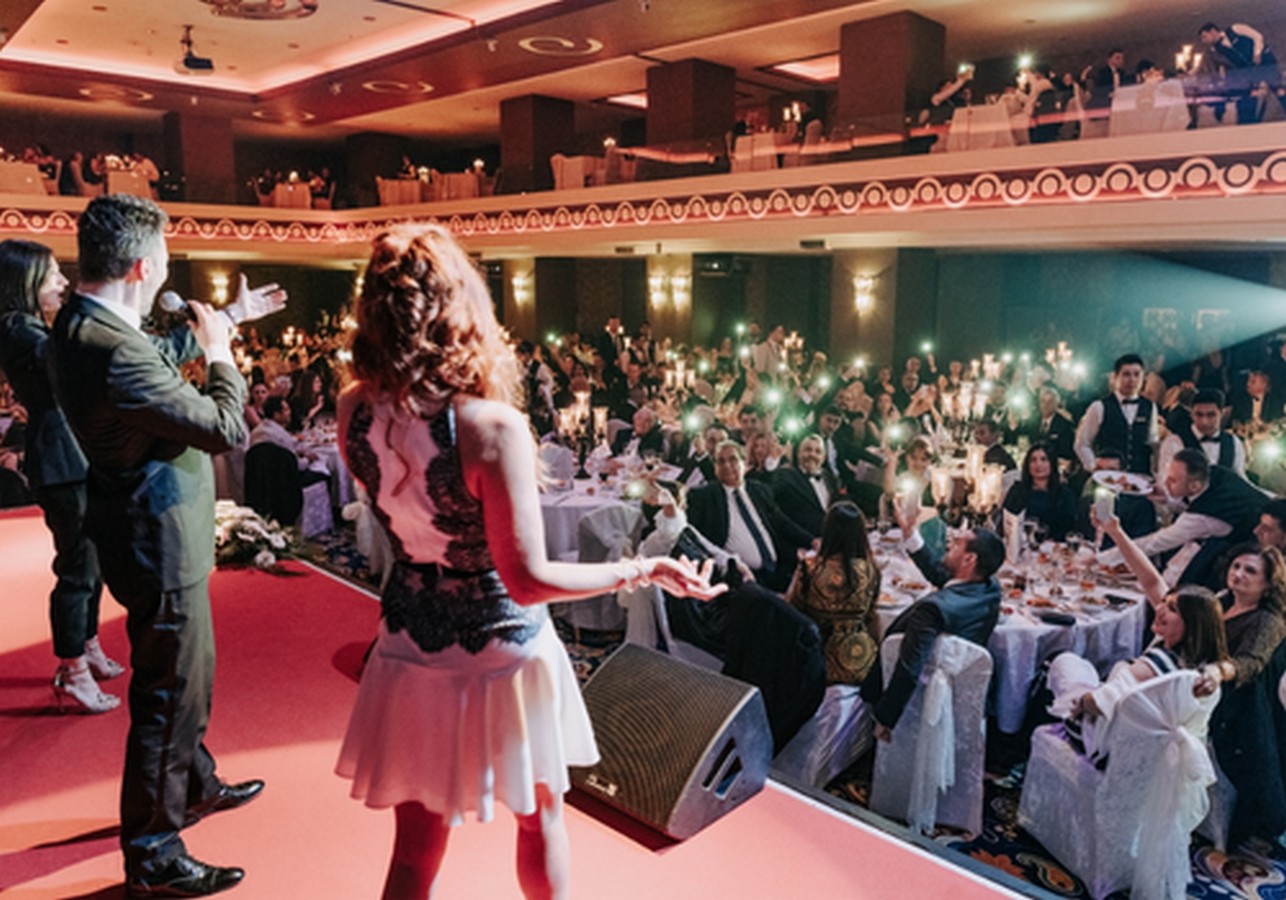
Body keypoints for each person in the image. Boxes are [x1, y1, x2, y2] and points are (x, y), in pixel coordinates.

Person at [334, 224, 722, 900]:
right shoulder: (489, 427)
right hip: (500, 650)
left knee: (414, 851)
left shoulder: (352, 410)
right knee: (539, 820)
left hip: (407, 642)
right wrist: (640, 569)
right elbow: (528, 579)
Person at [48, 194, 286, 897]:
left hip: (140, 530)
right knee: (170, 694)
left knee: (185, 681)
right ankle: (152, 851)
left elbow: (151, 359)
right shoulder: (112, 349)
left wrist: (229, 317)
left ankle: (195, 783)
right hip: (158, 539)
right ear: (142, 267)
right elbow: (223, 427)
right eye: (165, 259)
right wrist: (222, 353)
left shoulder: (83, 324)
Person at [0, 239, 123, 714]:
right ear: (27, 279)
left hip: (72, 454)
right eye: (53, 274)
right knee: (76, 567)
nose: (63, 282)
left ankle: (86, 645)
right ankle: (72, 669)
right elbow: (72, 362)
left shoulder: (30, 326)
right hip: (59, 459)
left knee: (91, 562)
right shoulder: (17, 329)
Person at [863, 502, 1005, 740]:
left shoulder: (932, 610)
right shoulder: (990, 588)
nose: (950, 544)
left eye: (957, 544)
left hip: (924, 694)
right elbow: (943, 576)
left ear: (969, 559)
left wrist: (885, 717)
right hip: (962, 691)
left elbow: (910, 665)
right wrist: (910, 534)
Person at [1046, 584, 1228, 762]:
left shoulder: (1154, 664)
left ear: (1192, 626)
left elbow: (1098, 704)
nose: (1159, 609)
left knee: (1062, 661)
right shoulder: (1204, 667)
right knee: (1082, 669)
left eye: (1172, 609)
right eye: (1164, 602)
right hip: (1153, 751)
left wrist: (1082, 701)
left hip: (1103, 743)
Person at [1100, 449, 1267, 588]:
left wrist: (1100, 559)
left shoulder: (1203, 519)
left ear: (1194, 486)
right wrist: (1167, 499)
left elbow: (1153, 543)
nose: (1165, 484)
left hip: (1250, 556)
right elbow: (1196, 503)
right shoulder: (1214, 473)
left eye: (1172, 480)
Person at [785, 501, 882, 685]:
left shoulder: (810, 568)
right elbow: (871, 616)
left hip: (816, 661)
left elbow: (793, 609)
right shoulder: (871, 570)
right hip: (859, 662)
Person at [1074, 353, 1158, 476]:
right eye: (1126, 374)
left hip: (1140, 478)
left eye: (1136, 374)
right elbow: (1082, 444)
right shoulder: (1099, 407)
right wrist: (1094, 466)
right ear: (1115, 377)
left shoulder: (1150, 407)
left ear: (1143, 378)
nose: (1132, 380)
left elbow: (1152, 443)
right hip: (1108, 478)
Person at [1198, 21, 1284, 125]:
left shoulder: (1236, 29)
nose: (1204, 41)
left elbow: (1257, 37)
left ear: (1213, 31)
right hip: (1249, 71)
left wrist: (1257, 53)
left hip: (1266, 62)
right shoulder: (1216, 50)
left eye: (1205, 36)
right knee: (1251, 95)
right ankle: (1249, 122)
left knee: (1279, 89)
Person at [1157, 388, 1246, 480]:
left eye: (1211, 415)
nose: (1204, 422)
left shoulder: (1234, 443)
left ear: (1222, 413)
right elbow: (1164, 480)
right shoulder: (1174, 442)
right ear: (1191, 414)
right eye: (1199, 415)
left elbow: (1239, 478)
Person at [1002, 444, 1077, 542]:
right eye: (1033, 460)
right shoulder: (1017, 491)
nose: (1038, 464)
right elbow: (1006, 521)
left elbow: (1070, 528)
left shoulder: (1064, 494)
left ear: (1052, 464)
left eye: (1043, 459)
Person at [772, 434, 840, 538]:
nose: (812, 454)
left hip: (831, 538)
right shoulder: (787, 476)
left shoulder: (830, 479)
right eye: (808, 450)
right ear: (799, 453)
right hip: (802, 540)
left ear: (823, 457)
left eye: (818, 451)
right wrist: (773, 461)